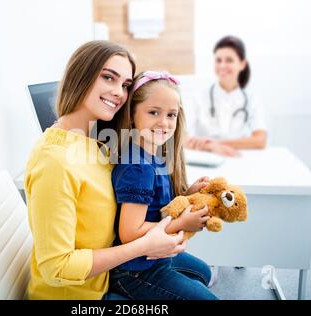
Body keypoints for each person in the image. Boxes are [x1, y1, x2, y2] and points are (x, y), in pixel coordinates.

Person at [24, 41, 188, 300]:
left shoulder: (95, 142)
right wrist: (143, 245)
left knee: (197, 276)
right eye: (108, 78)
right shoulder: (54, 162)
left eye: (125, 85)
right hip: (80, 296)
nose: (119, 93)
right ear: (80, 75)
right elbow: (56, 268)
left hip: (107, 277)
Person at [109, 71, 218, 300]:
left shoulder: (152, 153)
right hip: (135, 271)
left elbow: (156, 208)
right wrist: (180, 223)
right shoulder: (138, 168)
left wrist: (188, 195)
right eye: (153, 112)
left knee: (205, 273)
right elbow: (129, 233)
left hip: (155, 258)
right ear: (131, 115)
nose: (164, 122)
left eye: (171, 115)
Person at [185, 35, 267, 157]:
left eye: (229, 60)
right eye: (218, 60)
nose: (222, 65)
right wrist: (211, 146)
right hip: (206, 158)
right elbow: (182, 138)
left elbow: (260, 140)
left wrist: (216, 143)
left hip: (238, 157)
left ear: (242, 64)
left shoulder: (251, 100)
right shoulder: (198, 97)